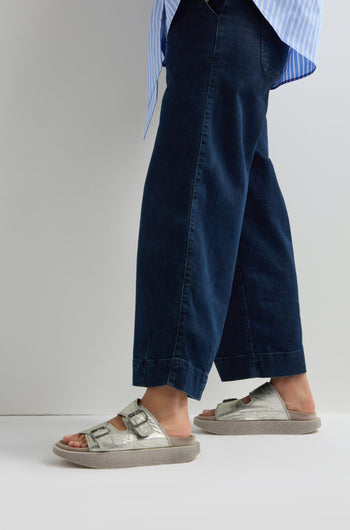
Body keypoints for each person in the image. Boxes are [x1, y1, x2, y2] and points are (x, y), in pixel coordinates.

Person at [53, 0, 324, 468]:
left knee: (188, 190)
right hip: (253, 20)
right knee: (243, 193)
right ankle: (288, 384)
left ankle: (166, 401)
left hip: (221, 11)